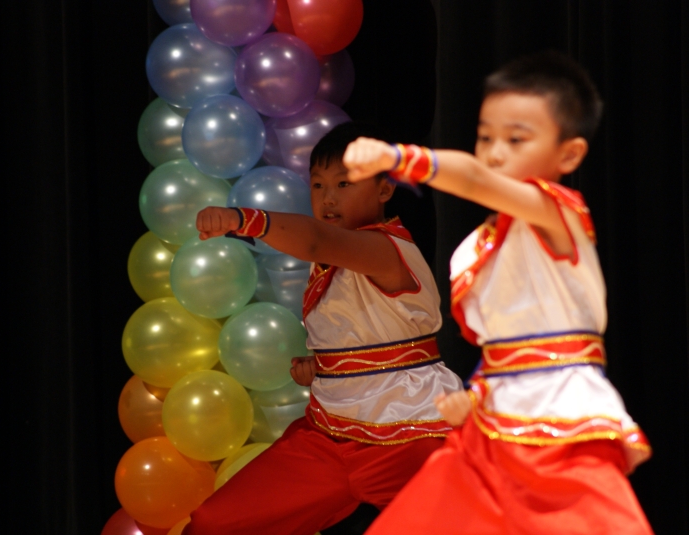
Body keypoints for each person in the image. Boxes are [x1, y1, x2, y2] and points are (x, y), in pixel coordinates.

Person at [342, 51, 653, 534]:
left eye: (516, 138)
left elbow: (473, 176)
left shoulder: (559, 213)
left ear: (568, 154)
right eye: (486, 137)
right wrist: (477, 393)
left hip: (561, 414)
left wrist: (400, 158)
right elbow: (509, 340)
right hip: (492, 420)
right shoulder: (482, 243)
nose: (496, 152)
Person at [182, 122, 463, 535]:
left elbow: (316, 240)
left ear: (385, 189)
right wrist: (325, 368)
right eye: (318, 185)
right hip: (329, 436)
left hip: (412, 438)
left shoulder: (388, 249)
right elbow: (372, 339)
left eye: (345, 184)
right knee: (214, 524)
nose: (329, 198)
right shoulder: (335, 262)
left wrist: (243, 219)